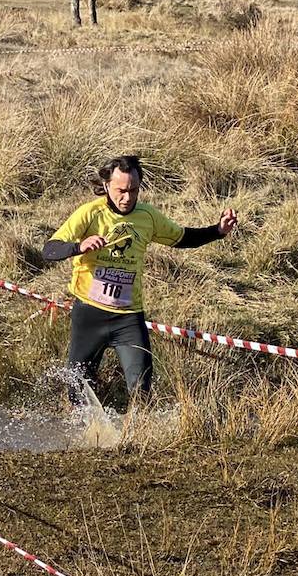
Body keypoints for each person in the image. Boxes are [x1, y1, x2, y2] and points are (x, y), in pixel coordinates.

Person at [42, 155, 237, 404]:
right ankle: (87, 437)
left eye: (133, 190)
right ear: (106, 187)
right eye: (120, 191)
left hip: (128, 317)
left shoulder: (148, 217)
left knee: (142, 389)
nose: (127, 198)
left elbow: (182, 237)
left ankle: (136, 437)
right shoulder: (90, 214)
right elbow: (49, 250)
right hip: (89, 314)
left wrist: (218, 231)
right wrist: (79, 246)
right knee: (78, 390)